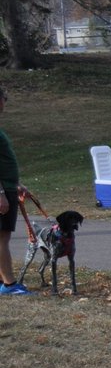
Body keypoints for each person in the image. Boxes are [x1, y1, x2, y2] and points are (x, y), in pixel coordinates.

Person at [0, 86, 31, 295]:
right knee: (2, 239)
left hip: (8, 187)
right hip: (2, 191)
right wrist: (1, 193)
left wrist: (15, 184)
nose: (4, 104)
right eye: (3, 99)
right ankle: (10, 284)